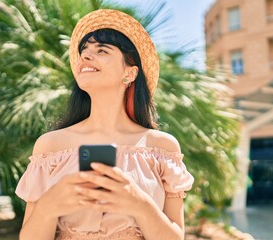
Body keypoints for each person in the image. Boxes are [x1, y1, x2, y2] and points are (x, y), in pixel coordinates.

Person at [15, 9, 194, 240]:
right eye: (84, 51)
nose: (86, 57)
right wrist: (49, 206)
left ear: (130, 73)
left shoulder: (163, 149)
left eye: (102, 50)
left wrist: (139, 204)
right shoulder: (49, 147)